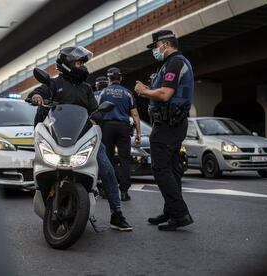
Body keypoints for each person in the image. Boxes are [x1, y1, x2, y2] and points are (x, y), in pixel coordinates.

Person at [26, 46, 132, 231]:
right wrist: (36, 96)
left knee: (106, 167)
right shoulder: (54, 83)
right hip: (57, 137)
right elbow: (40, 91)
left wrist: (97, 114)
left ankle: (117, 213)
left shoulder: (86, 88)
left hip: (82, 137)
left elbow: (94, 110)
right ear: (66, 63)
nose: (82, 66)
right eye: (78, 62)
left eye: (83, 63)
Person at [134, 30, 194, 231]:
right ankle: (171, 211)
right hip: (169, 123)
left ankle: (179, 214)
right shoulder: (167, 65)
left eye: (156, 46)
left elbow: (166, 94)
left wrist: (143, 91)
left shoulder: (176, 62)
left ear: (165, 44)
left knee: (161, 169)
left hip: (170, 124)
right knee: (173, 169)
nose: (155, 51)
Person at [98, 67, 141, 201]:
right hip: (123, 128)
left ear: (109, 79)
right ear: (120, 78)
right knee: (124, 160)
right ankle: (124, 192)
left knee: (107, 159)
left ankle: (106, 190)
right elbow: (135, 115)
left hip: (107, 127)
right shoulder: (127, 93)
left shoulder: (103, 92)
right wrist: (139, 133)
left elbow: (97, 112)